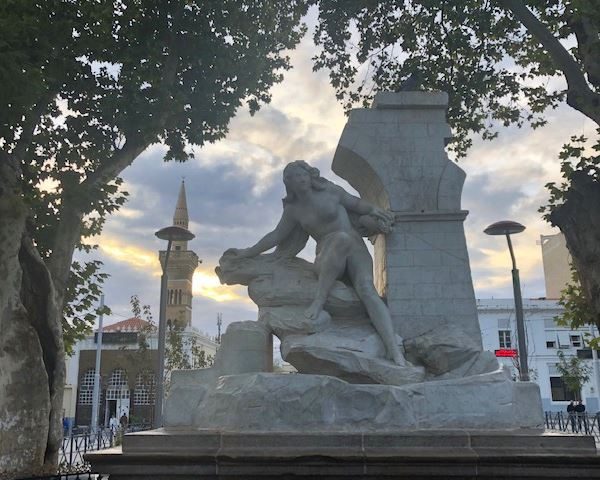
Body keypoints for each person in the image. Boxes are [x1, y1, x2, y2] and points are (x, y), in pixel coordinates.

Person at [226, 160, 406, 366]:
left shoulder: (330, 191)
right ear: (289, 183)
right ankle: (319, 300)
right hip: (327, 256)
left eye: (303, 174)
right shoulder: (294, 210)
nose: (301, 179)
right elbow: (275, 236)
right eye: (294, 177)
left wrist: (375, 210)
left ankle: (394, 351)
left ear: (310, 176)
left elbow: (356, 204)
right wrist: (248, 252)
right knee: (341, 239)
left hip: (354, 249)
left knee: (367, 290)